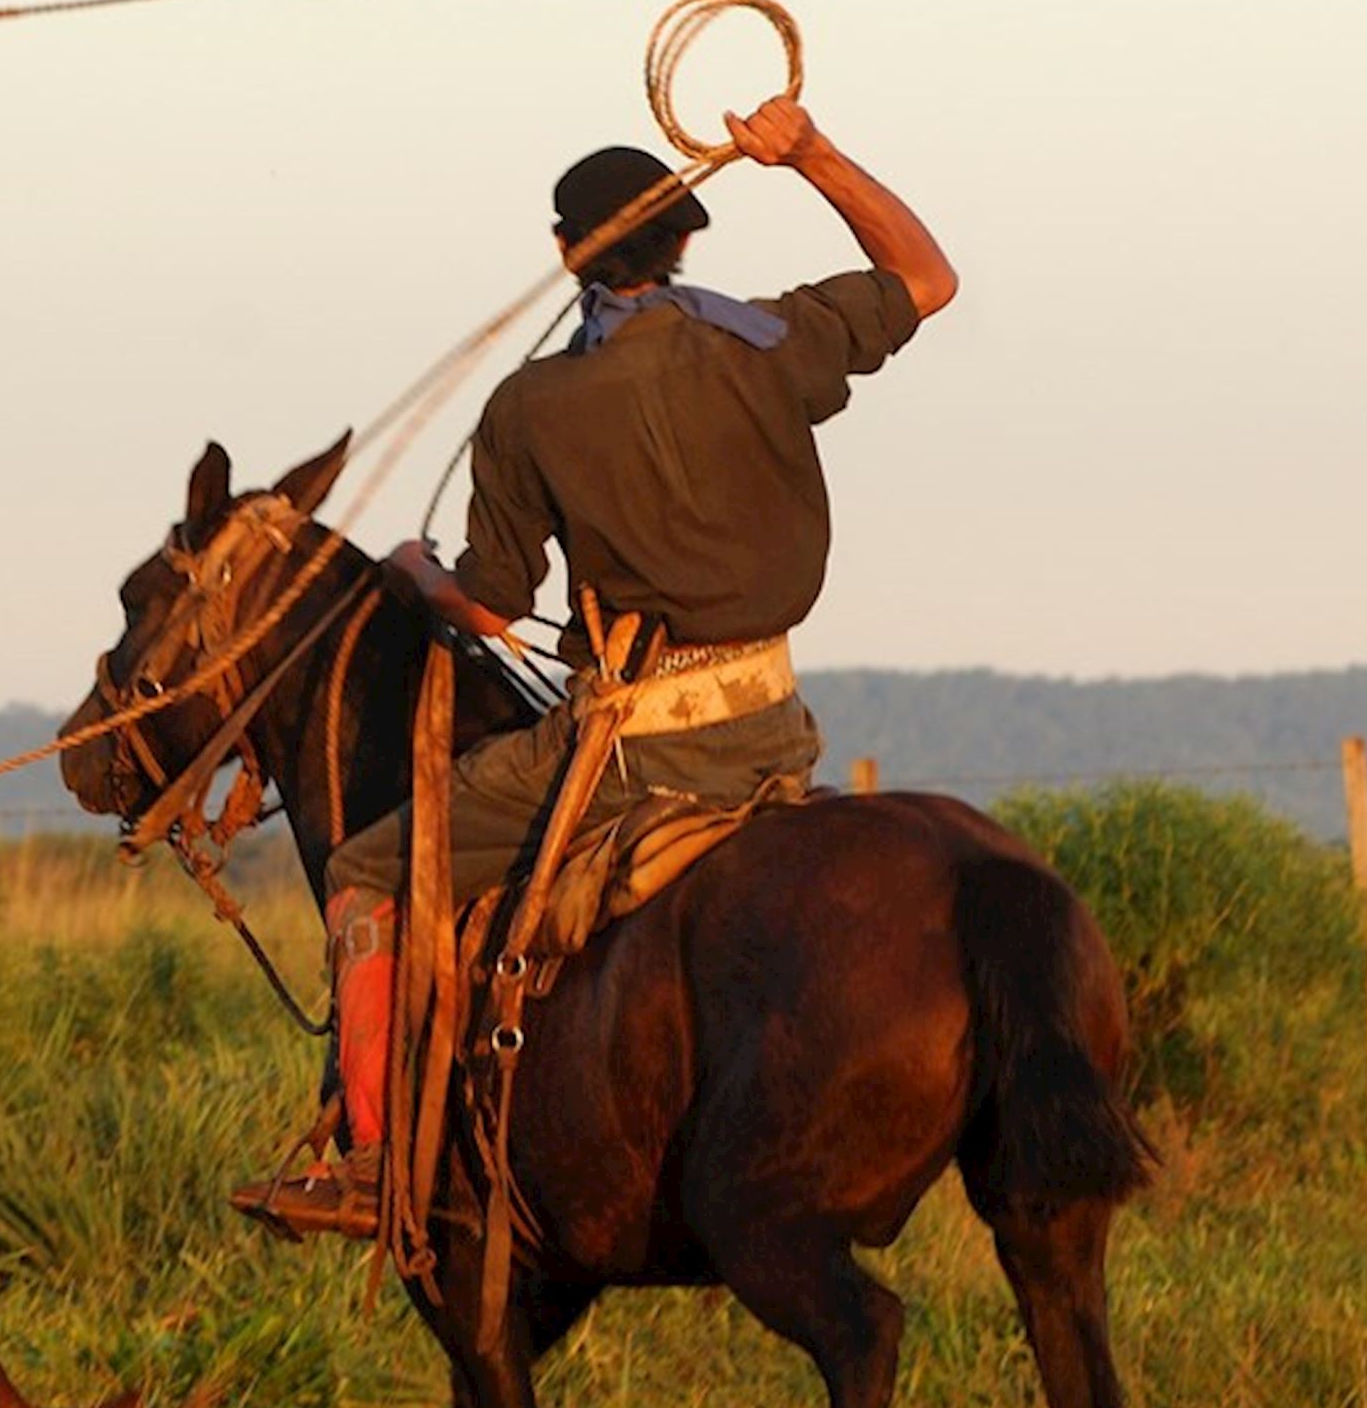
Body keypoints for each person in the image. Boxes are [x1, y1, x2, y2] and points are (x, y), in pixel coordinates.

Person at [234, 91, 958, 1241]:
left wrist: (421, 576)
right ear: (682, 240)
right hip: (773, 723)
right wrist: (809, 152)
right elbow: (926, 277)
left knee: (368, 874)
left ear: (569, 256)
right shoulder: (772, 342)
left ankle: (369, 1165)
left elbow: (490, 602)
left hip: (635, 747)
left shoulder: (529, 408)